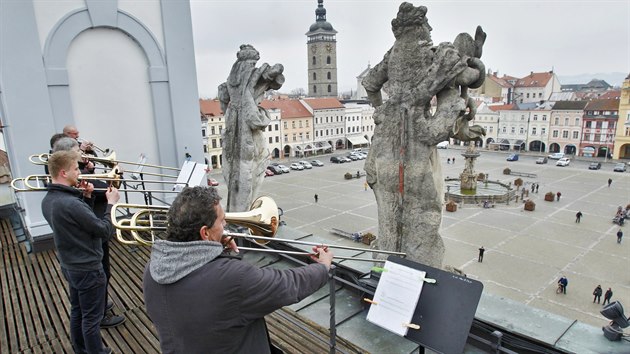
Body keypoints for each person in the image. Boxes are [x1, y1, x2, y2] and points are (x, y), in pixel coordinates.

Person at [361, 2, 486, 267]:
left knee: (389, 212)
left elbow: (370, 84)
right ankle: (418, 267)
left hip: (385, 143)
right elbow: (471, 77)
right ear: (420, 27)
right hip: (417, 143)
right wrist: (475, 60)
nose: (430, 28)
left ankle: (387, 260)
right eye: (426, 24)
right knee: (425, 212)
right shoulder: (432, 54)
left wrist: (381, 109)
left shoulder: (391, 56)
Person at [143, 186, 333, 353]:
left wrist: (213, 251)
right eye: (222, 221)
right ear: (205, 232)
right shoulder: (233, 278)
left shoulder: (152, 269)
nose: (226, 226)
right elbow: (288, 284)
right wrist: (322, 267)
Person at [41, 150, 120, 354]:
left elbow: (77, 224)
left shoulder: (49, 200)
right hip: (88, 268)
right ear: (63, 173)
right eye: (76, 169)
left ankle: (80, 349)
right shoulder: (69, 203)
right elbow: (103, 231)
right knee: (92, 320)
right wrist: (111, 204)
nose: (80, 173)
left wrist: (87, 198)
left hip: (70, 264)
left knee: (77, 312)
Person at [52, 137, 125, 328]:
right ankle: (99, 314)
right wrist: (112, 192)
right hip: (91, 238)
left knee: (98, 280)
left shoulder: (75, 176)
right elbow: (105, 191)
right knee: (102, 273)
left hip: (82, 243)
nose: (82, 152)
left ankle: (99, 305)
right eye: (78, 150)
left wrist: (91, 172)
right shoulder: (73, 181)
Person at [218, 44, 285, 213]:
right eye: (254, 62)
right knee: (250, 169)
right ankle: (243, 214)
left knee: (235, 171)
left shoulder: (230, 83)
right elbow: (255, 120)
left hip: (233, 126)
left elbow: (222, 96)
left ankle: (236, 212)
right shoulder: (251, 79)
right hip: (246, 133)